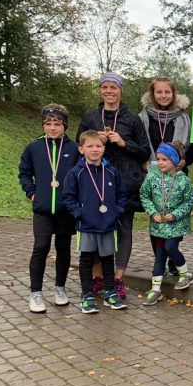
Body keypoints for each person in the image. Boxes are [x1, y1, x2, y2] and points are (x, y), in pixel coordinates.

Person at [76, 72, 151, 301]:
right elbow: (79, 144)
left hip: (125, 182)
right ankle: (99, 278)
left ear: (120, 90)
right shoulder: (90, 116)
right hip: (95, 182)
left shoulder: (133, 119)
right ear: (101, 90)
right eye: (105, 87)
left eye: (113, 87)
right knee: (97, 229)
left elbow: (145, 151)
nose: (109, 91)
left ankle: (118, 279)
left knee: (124, 230)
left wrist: (123, 142)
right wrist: (94, 139)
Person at [18, 105, 80, 312]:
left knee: (63, 248)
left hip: (65, 209)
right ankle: (35, 293)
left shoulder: (74, 148)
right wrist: (31, 193)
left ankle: (59, 288)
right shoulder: (33, 147)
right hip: (42, 209)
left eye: (57, 124)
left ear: (65, 125)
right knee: (41, 247)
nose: (52, 128)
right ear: (43, 125)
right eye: (48, 123)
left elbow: (81, 174)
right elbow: (24, 173)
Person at [61, 131, 128, 313]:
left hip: (108, 224)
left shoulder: (111, 171)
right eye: (90, 146)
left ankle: (110, 292)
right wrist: (79, 213)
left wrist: (116, 211)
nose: (95, 149)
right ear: (81, 149)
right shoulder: (76, 172)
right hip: (86, 224)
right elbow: (68, 196)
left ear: (104, 148)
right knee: (86, 259)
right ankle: (87, 295)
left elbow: (122, 194)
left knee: (108, 259)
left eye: (98, 146)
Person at [139, 143, 193, 305]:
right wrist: (152, 212)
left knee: (170, 247)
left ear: (175, 160)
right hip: (158, 225)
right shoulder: (152, 176)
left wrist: (176, 214)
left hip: (176, 225)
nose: (160, 163)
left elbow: (190, 201)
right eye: (158, 159)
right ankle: (156, 289)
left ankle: (185, 274)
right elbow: (144, 195)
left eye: (165, 159)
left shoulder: (184, 180)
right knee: (160, 255)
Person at [139, 77, 192, 166]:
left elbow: (191, 150)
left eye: (167, 92)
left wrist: (184, 161)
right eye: (159, 92)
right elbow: (138, 147)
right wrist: (143, 163)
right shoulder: (142, 118)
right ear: (152, 94)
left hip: (176, 171)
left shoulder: (183, 118)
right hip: (149, 171)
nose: (163, 96)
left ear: (173, 94)